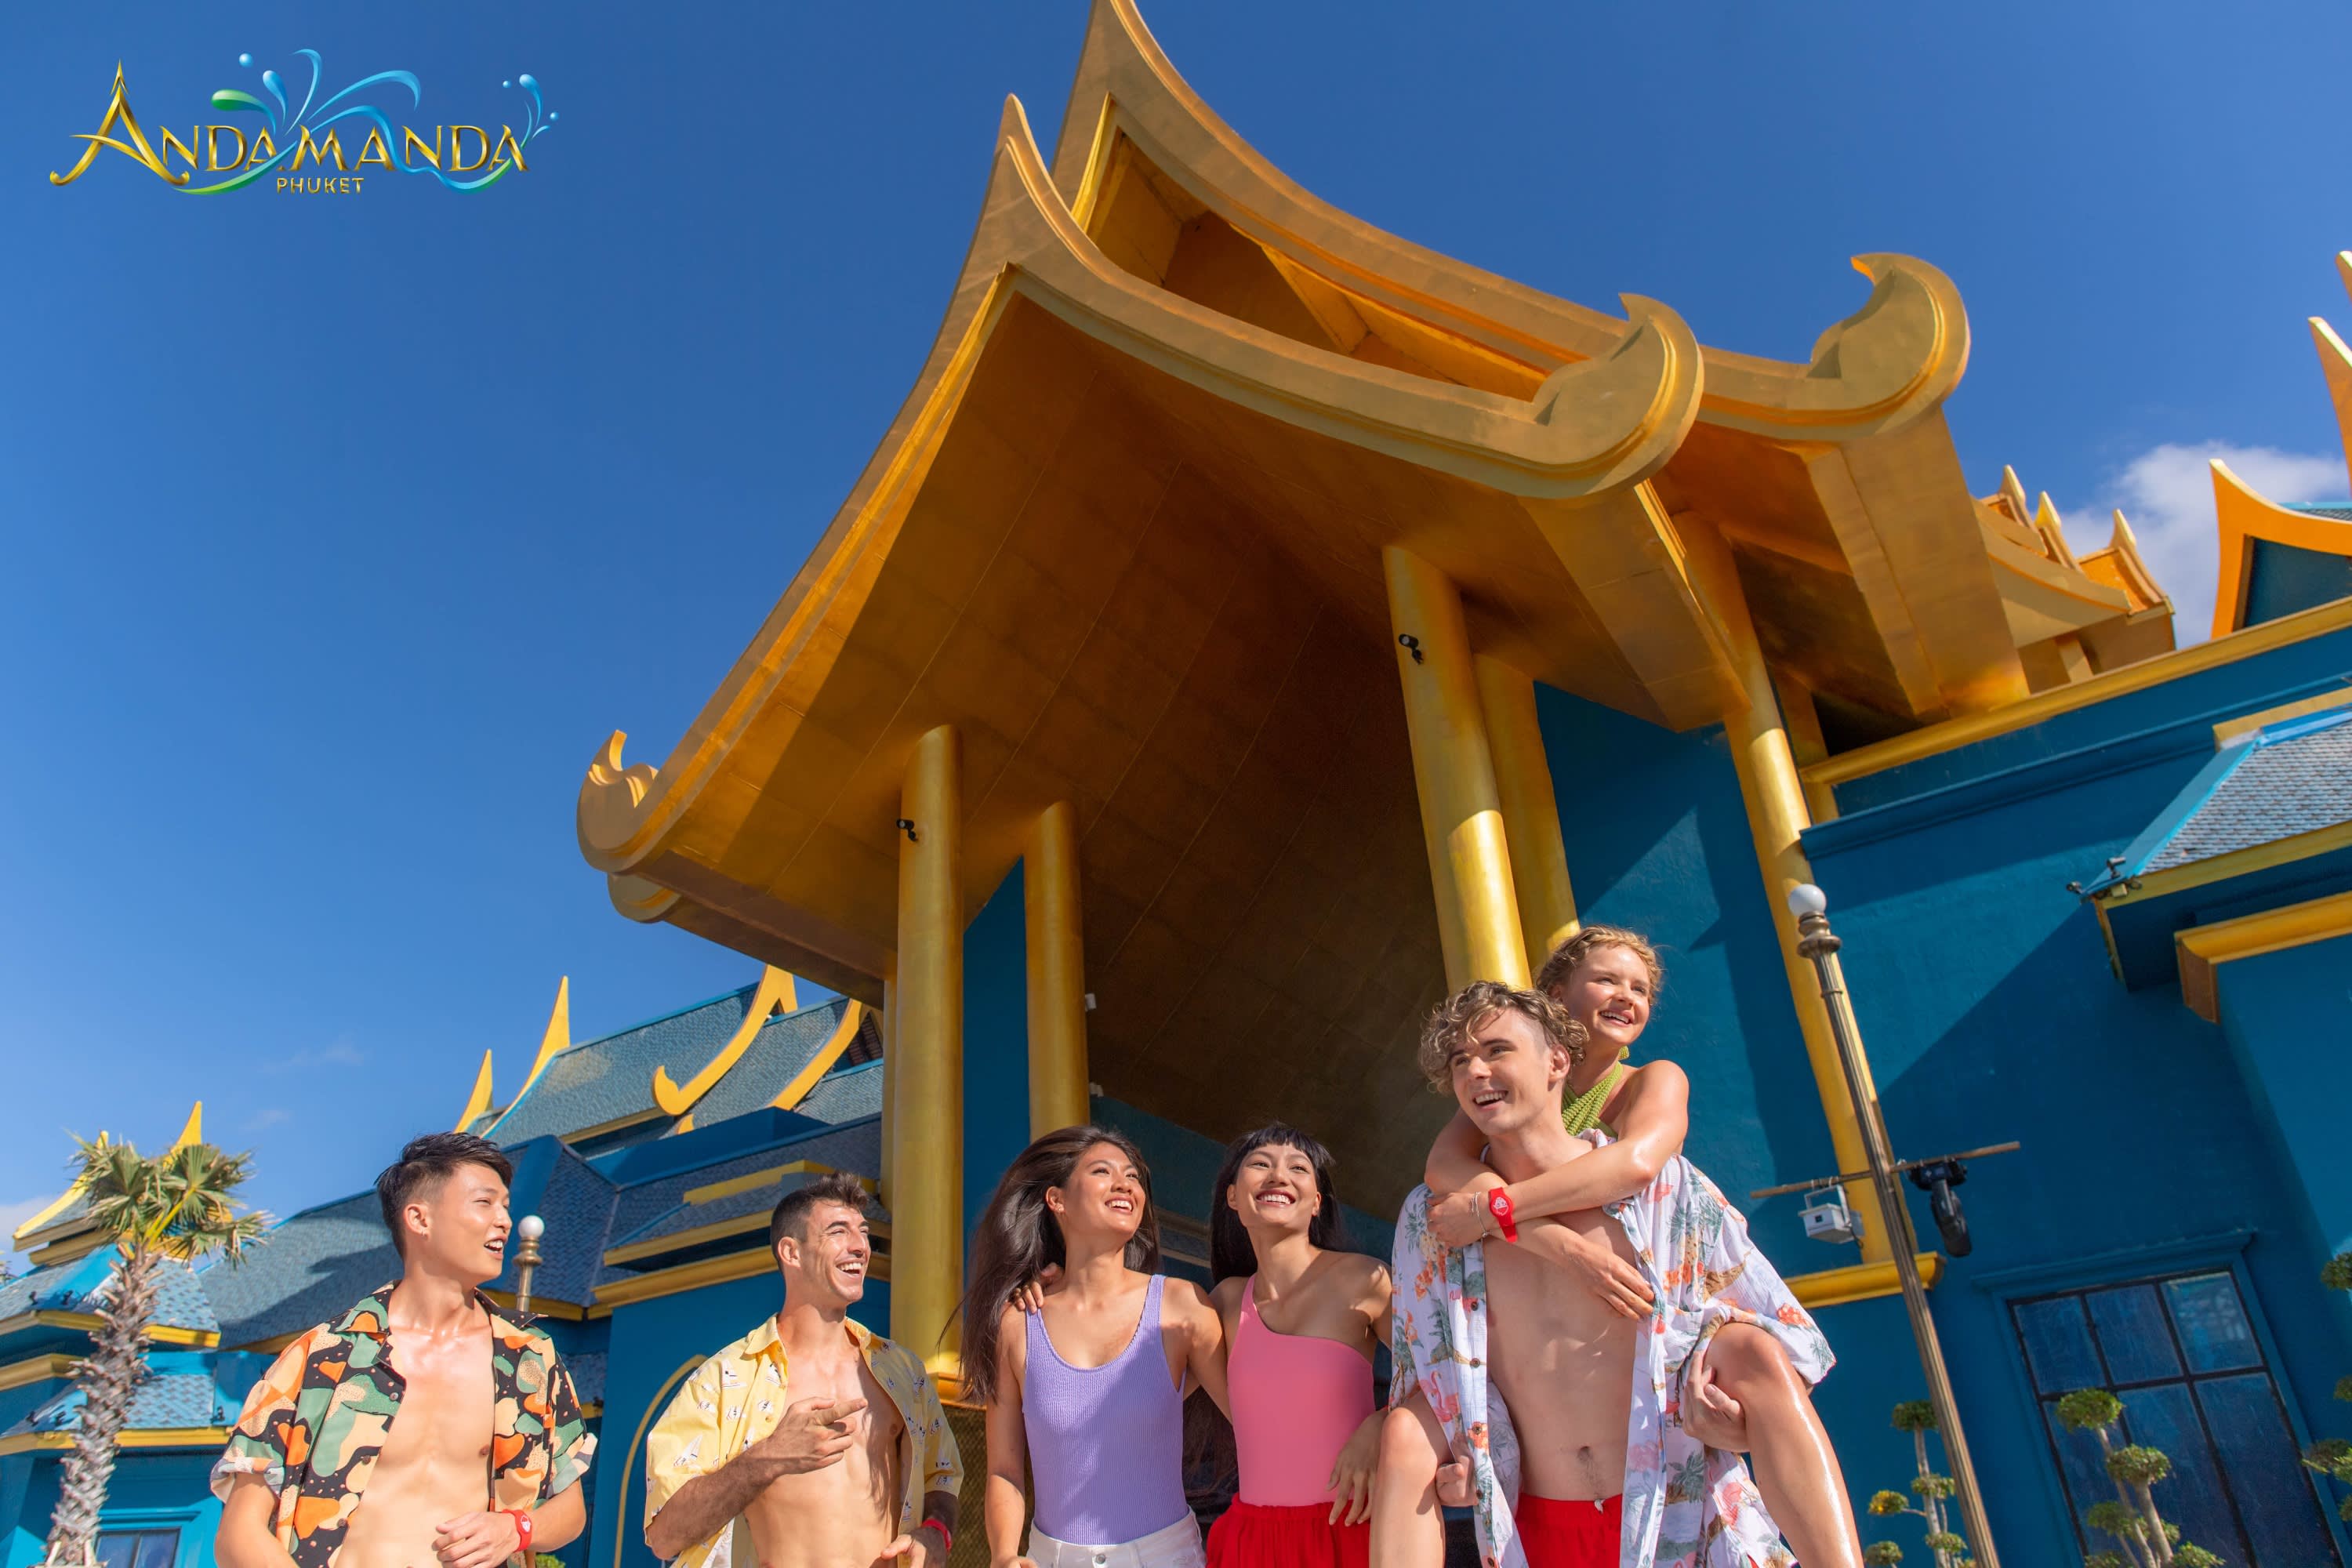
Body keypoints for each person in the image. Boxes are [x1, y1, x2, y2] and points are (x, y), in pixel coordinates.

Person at [1384, 982, 1852, 1568]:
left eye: (1497, 1050)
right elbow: (1422, 1371)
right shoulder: (1434, 1220)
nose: (1476, 1071)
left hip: (1676, 1515)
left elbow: (1787, 1347)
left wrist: (1739, 1422)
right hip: (1539, 1531)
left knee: (1751, 1347)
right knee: (1402, 1428)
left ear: (1558, 1061)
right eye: (1460, 1061)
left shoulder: (1663, 1190)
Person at [213, 1132, 594, 1568]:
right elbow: (239, 1533)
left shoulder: (530, 1360)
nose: (505, 1221)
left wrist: (516, 1528)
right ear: (419, 1218)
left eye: (506, 1206)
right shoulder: (322, 1356)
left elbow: (570, 1511)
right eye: (484, 1203)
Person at [641, 1171, 960, 1568]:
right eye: (838, 1231)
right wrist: (769, 1457)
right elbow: (665, 1536)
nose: (861, 1246)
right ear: (791, 1252)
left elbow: (942, 1475)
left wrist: (936, 1531)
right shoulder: (723, 1380)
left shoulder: (903, 1372)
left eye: (863, 1232)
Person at [960, 1125, 1230, 1568]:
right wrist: (1004, 1554)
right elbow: (1003, 1470)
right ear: (1057, 1200)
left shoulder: (1182, 1305)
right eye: (1103, 1171)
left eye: (1133, 1176)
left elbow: (1255, 1427)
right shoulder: (1017, 1324)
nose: (1125, 1184)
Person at [1203, 1124, 1391, 1568]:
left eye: (1298, 1168)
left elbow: (1442, 1375)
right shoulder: (1224, 1302)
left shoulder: (1366, 1279)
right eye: (1260, 1164)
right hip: (1252, 1545)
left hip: (1352, 1533)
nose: (1278, 1175)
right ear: (1233, 1197)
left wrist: (1383, 1424)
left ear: (1316, 1202)